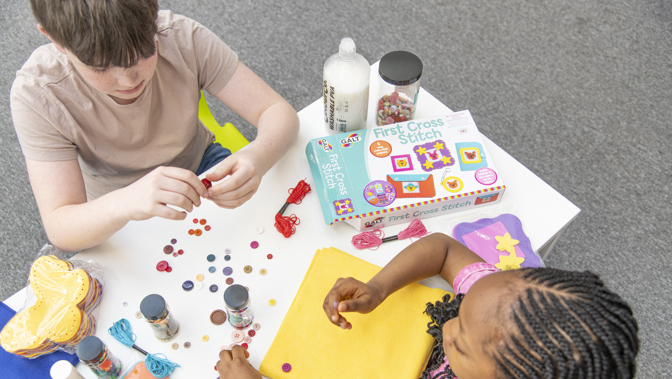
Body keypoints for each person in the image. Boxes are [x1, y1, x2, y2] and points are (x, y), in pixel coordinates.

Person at [11, 0, 299, 253]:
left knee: (266, 235)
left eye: (144, 52)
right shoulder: (39, 94)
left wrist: (257, 156)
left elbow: (278, 112)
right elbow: (60, 226)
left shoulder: (182, 37)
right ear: (55, 40)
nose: (129, 80)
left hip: (200, 168)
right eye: (100, 68)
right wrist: (124, 204)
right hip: (115, 204)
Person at [322, 233, 640, 379]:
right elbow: (444, 250)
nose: (445, 328)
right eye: (459, 315)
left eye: (459, 344)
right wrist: (378, 288)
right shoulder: (498, 304)